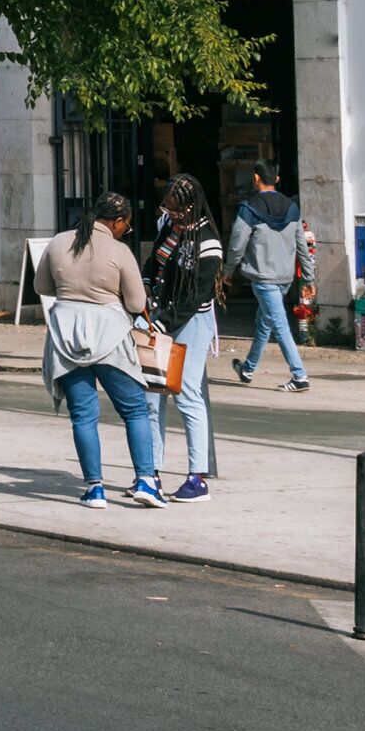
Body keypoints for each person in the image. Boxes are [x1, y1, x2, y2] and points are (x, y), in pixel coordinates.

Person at [38, 193, 169, 509]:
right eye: (127, 225)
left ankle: (94, 489)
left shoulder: (58, 242)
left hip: (66, 335)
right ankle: (146, 482)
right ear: (118, 220)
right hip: (110, 337)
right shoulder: (119, 250)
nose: (126, 230)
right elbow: (137, 303)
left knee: (82, 415)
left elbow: (41, 286)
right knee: (135, 409)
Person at [140, 174, 225, 501]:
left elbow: (194, 297)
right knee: (152, 395)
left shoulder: (208, 242)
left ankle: (197, 476)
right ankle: (151, 472)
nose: (171, 215)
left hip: (191, 320)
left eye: (176, 211)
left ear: (191, 207)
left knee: (187, 392)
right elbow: (154, 261)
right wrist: (147, 281)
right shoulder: (169, 227)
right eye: (168, 209)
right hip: (161, 314)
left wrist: (163, 324)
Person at [228, 164, 313, 393]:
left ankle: (299, 375)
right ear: (276, 178)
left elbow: (237, 244)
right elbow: (302, 246)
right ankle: (247, 368)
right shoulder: (292, 207)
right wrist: (308, 278)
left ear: (255, 178)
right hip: (285, 277)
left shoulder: (249, 208)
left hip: (263, 278)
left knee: (279, 325)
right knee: (265, 321)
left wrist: (228, 271)